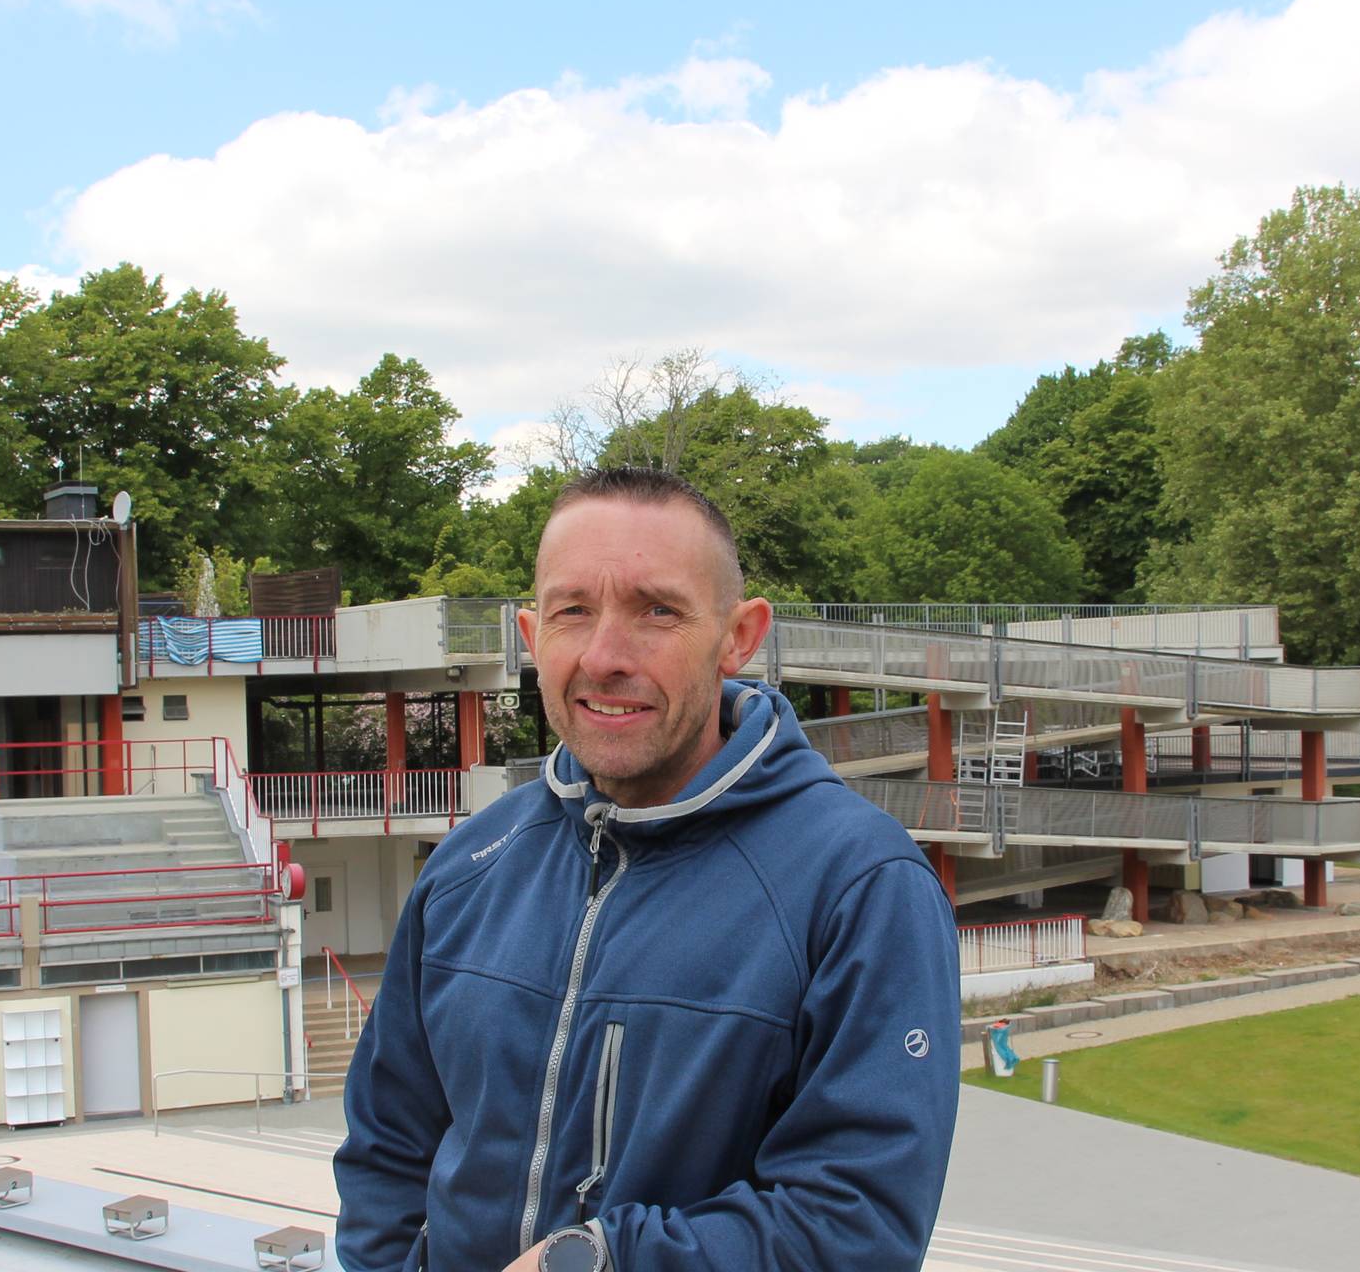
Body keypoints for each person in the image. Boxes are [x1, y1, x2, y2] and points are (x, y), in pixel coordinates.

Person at [333, 467, 961, 1272]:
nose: (604, 656)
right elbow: (387, 1150)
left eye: (656, 610)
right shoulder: (468, 864)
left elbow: (857, 1224)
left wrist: (603, 1260)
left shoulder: (860, 886)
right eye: (572, 613)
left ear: (739, 636)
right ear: (531, 635)